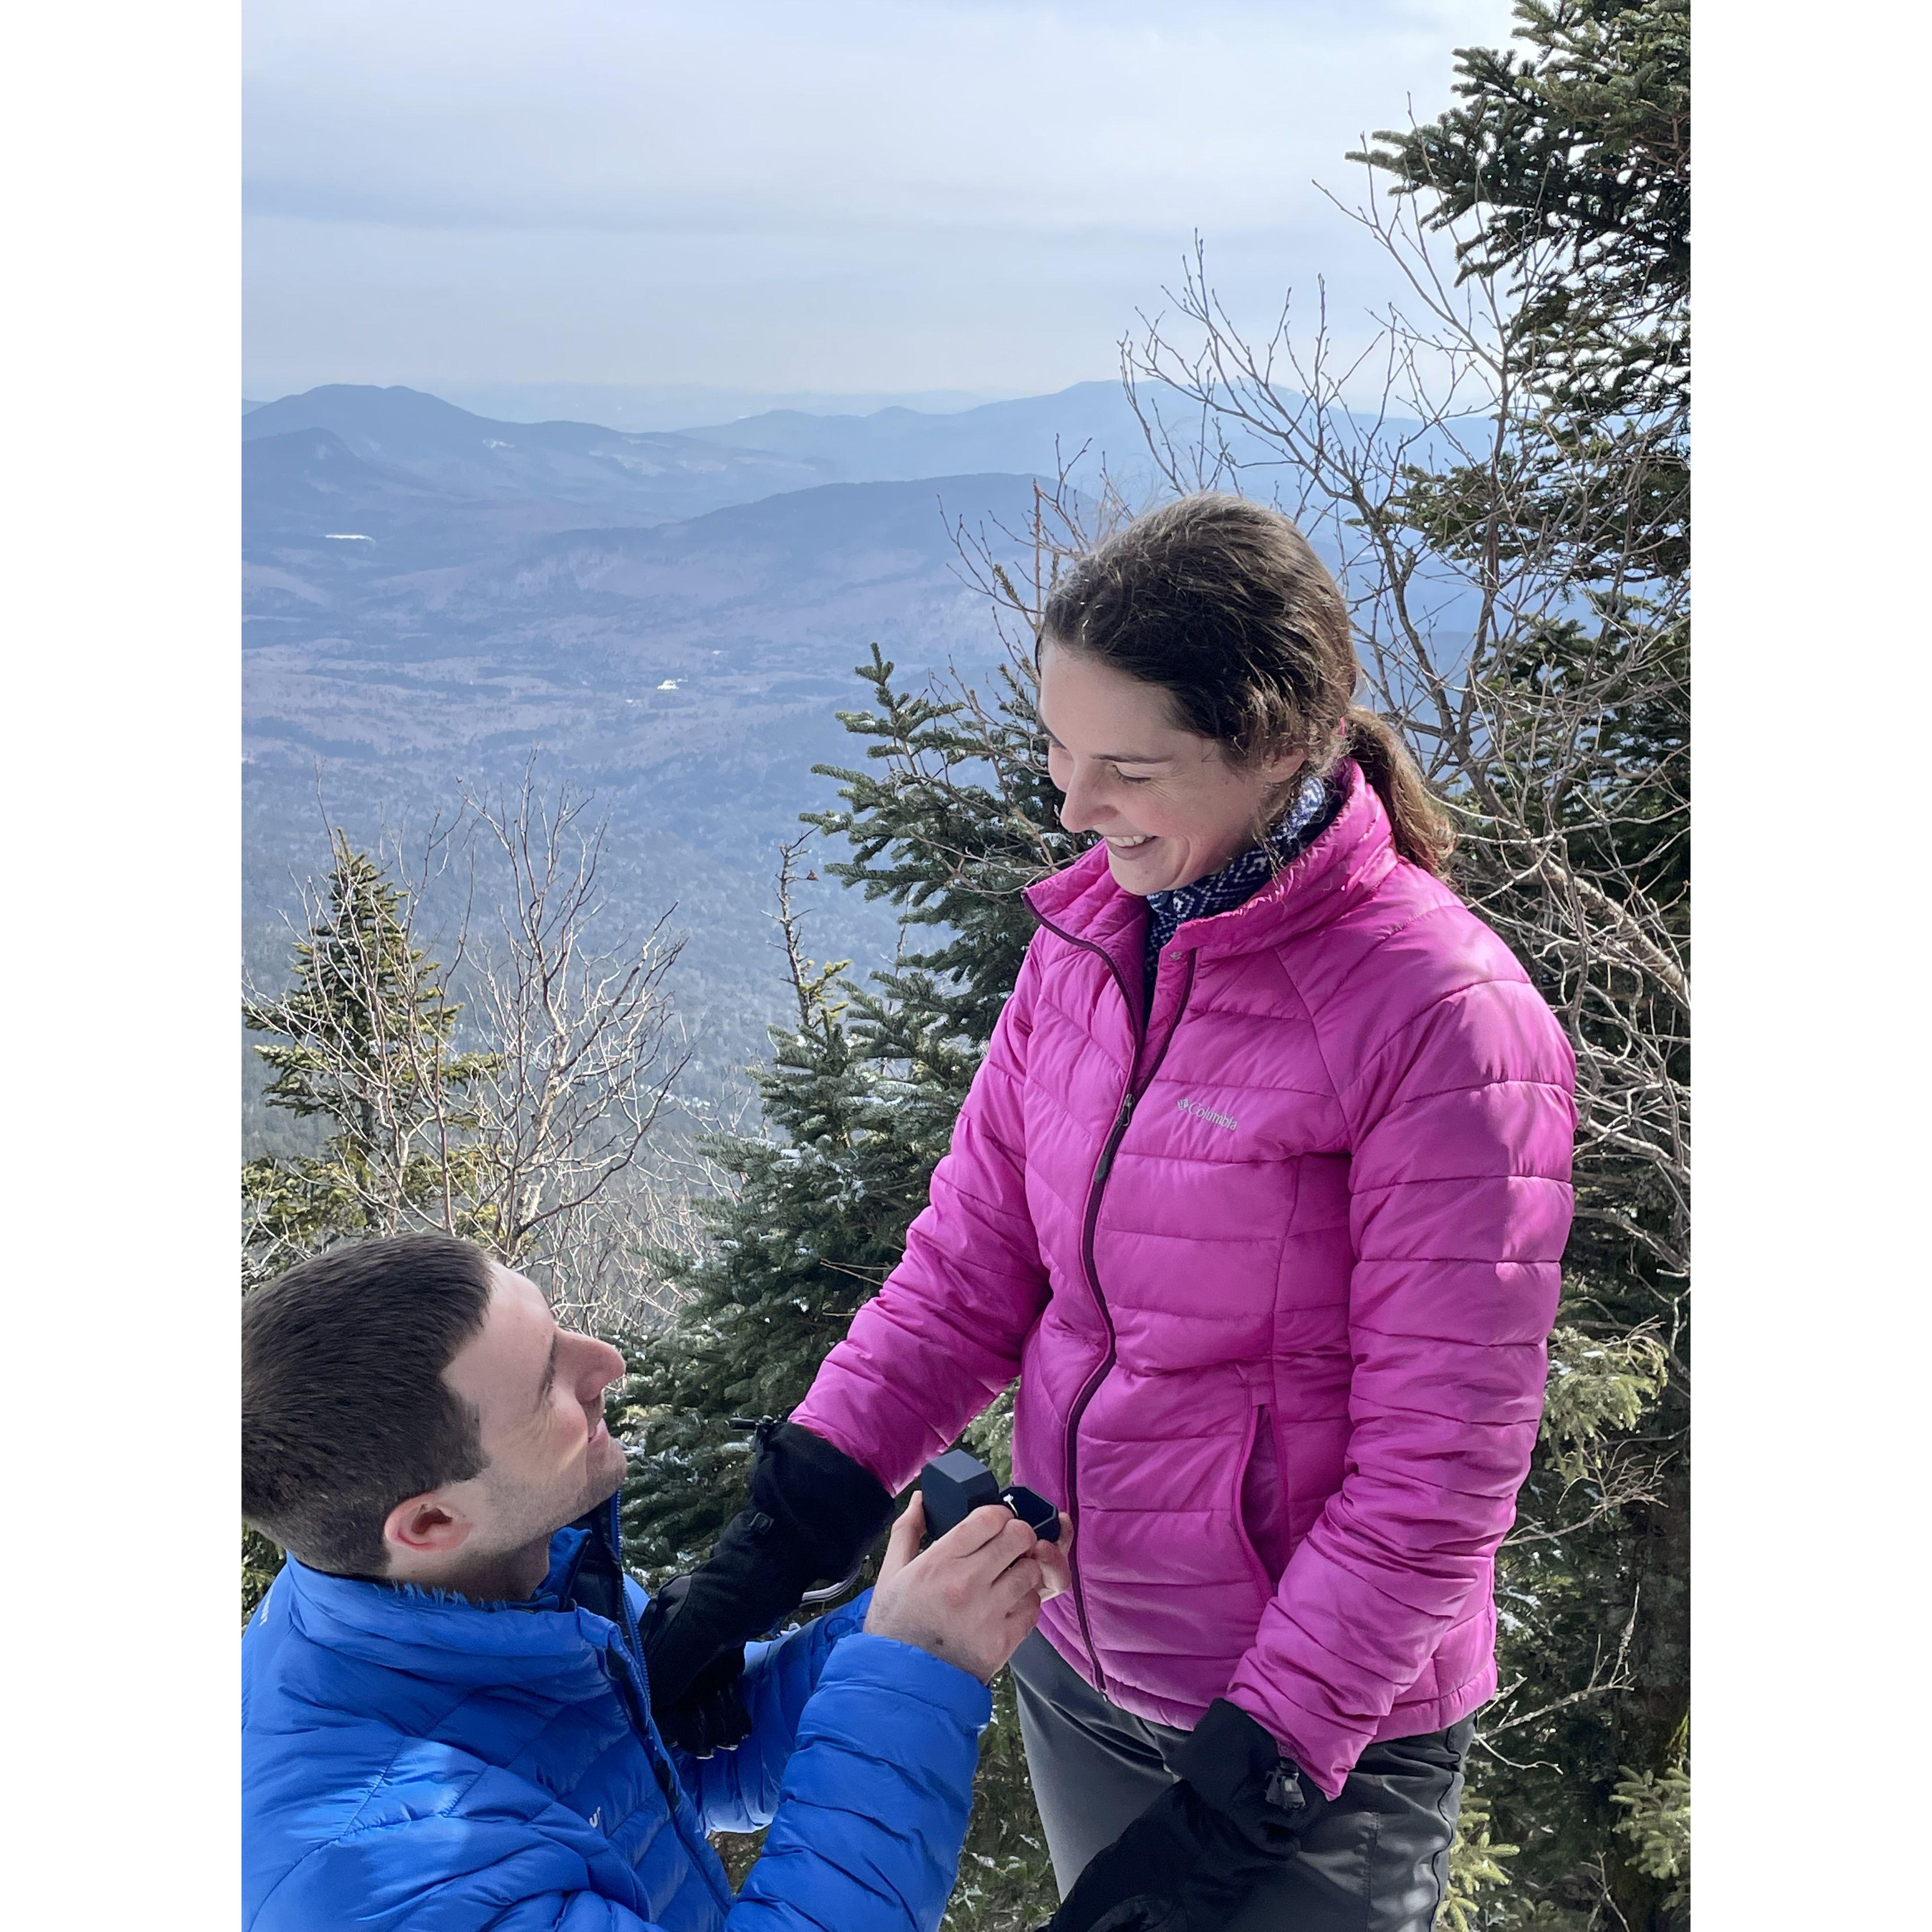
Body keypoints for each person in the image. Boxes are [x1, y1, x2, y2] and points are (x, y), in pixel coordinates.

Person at [654, 495, 1577, 1932]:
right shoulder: (1091, 940)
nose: (1071, 809)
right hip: (1080, 1660)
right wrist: (766, 1553)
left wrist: (1241, 1796)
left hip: (1313, 1741)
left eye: (1126, 769)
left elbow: (1435, 1481)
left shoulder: (1440, 1018)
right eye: (1056, 751)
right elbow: (966, 1275)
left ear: (1280, 748)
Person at [241, 1233, 1070, 1932]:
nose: (608, 1363)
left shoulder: (499, 1582)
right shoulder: (390, 1881)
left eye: (561, 1331)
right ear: (427, 1524)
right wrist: (917, 1666)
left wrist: (906, 1619)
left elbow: (668, 1771)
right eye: (548, 1385)